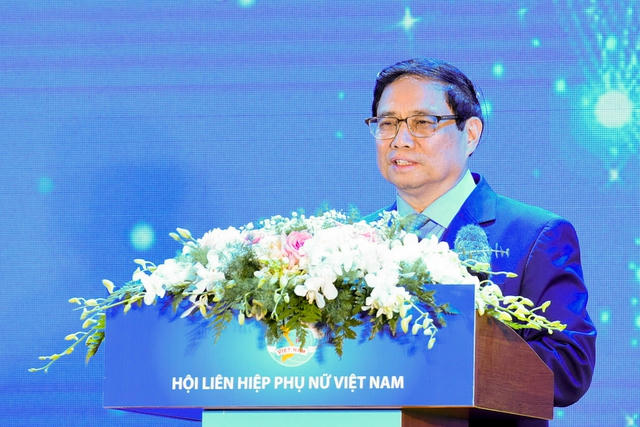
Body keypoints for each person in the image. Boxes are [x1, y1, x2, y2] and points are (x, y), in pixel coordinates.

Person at [364, 58, 596, 421]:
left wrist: (447, 359)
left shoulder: (535, 235)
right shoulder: (350, 243)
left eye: (422, 123)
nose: (400, 140)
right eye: (387, 123)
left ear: (470, 134)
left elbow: (570, 367)